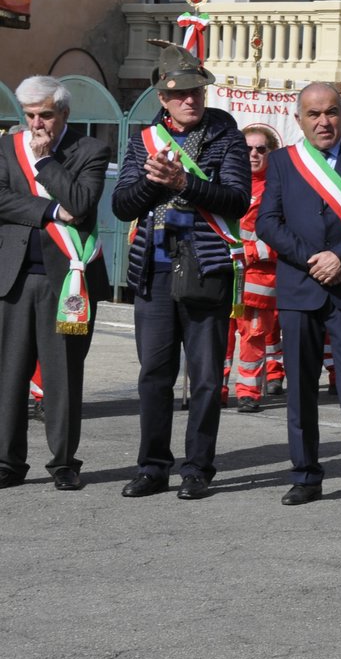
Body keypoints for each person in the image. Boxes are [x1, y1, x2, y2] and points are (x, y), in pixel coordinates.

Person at [111, 41, 251, 501]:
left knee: (207, 377)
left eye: (196, 91)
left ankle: (198, 468)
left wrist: (184, 183)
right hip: (153, 268)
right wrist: (155, 185)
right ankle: (153, 467)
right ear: (162, 98)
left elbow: (236, 199)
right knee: (154, 373)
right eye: (179, 94)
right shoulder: (142, 140)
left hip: (206, 266)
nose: (189, 100)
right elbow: (120, 205)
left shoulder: (225, 135)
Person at [257, 82, 341, 513]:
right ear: (299, 120)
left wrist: (340, 256)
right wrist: (312, 259)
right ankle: (305, 476)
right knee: (299, 388)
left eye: (332, 113)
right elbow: (268, 222)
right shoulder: (282, 163)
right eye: (314, 114)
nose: (324, 122)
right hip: (300, 288)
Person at [0, 75, 112, 491]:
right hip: (12, 277)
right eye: (29, 115)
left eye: (45, 114)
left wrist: (46, 163)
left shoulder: (90, 149)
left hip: (68, 282)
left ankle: (64, 461)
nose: (36, 124)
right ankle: (7, 461)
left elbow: (81, 204)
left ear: (63, 113)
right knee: (8, 374)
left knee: (64, 373)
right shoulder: (6, 148)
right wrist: (49, 210)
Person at [228, 126, 285, 413]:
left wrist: (249, 252)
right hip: (223, 274)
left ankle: (249, 392)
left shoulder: (280, 190)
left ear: (271, 153)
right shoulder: (226, 182)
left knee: (253, 337)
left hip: (258, 277)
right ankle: (215, 388)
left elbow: (283, 238)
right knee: (218, 340)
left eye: (260, 149)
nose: (253, 154)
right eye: (247, 148)